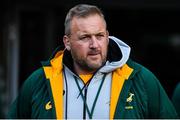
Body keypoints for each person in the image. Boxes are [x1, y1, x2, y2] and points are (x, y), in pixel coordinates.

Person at [7, 4, 178, 119]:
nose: (95, 45)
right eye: (85, 37)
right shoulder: (39, 82)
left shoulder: (140, 79)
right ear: (67, 42)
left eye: (100, 36)